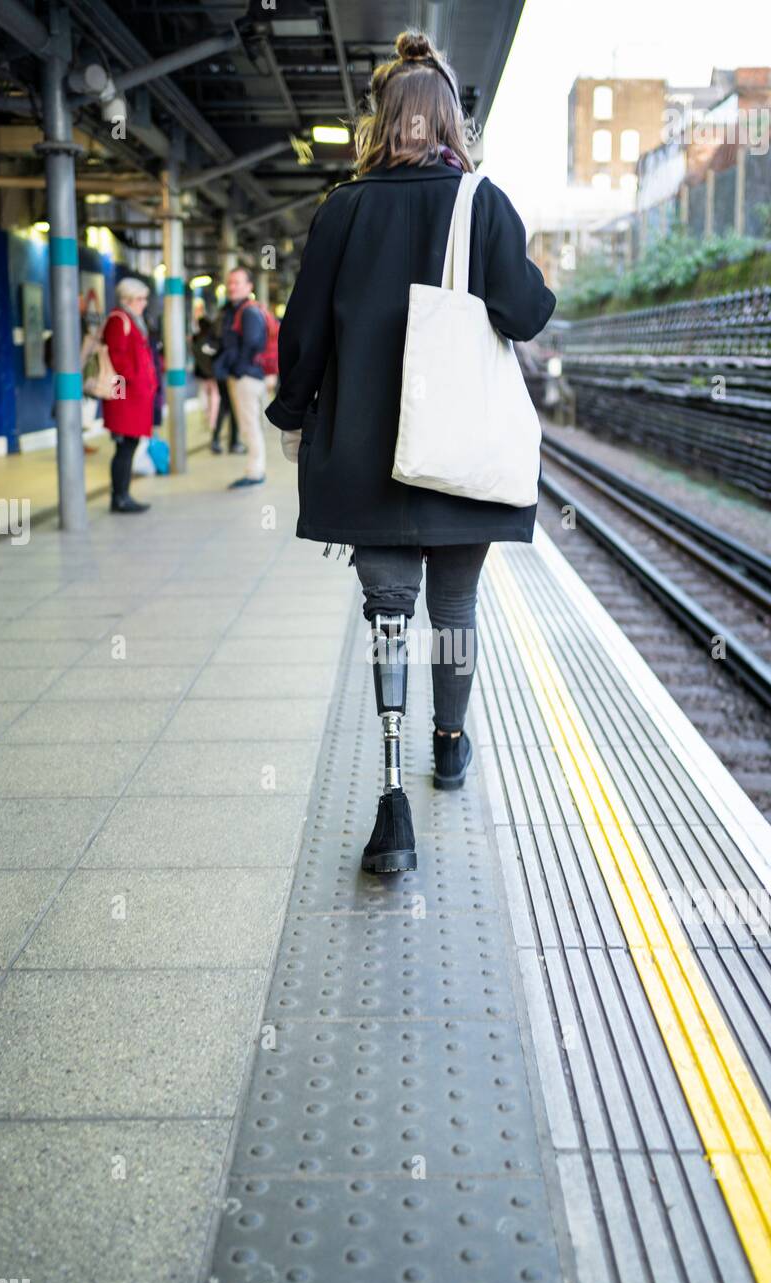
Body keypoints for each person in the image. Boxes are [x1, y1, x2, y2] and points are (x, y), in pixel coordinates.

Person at [266, 29, 556, 874]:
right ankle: (451, 744)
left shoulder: (341, 210)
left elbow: (303, 332)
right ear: (452, 120)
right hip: (460, 457)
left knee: (389, 612)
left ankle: (390, 792)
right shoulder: (482, 202)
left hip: (366, 455)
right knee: (455, 614)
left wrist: (293, 416)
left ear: (382, 119)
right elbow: (527, 313)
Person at [102, 277, 158, 514]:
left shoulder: (133, 319)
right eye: (140, 299)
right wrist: (136, 380)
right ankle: (120, 498)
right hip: (125, 395)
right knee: (124, 445)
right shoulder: (118, 320)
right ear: (127, 299)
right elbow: (118, 357)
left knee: (131, 443)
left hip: (134, 394)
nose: (144, 303)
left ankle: (124, 494)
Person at [214, 267, 267, 487]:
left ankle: (255, 472)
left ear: (249, 286)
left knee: (249, 426)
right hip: (245, 375)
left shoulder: (248, 312)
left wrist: (238, 368)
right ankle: (255, 468)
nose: (232, 286)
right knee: (250, 424)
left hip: (246, 377)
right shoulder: (235, 310)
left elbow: (253, 342)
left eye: (237, 282)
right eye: (230, 282)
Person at [192, 314, 220, 435]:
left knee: (205, 394)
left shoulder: (196, 337)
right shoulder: (212, 338)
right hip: (212, 372)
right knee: (214, 395)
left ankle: (207, 415)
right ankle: (212, 420)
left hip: (201, 372)